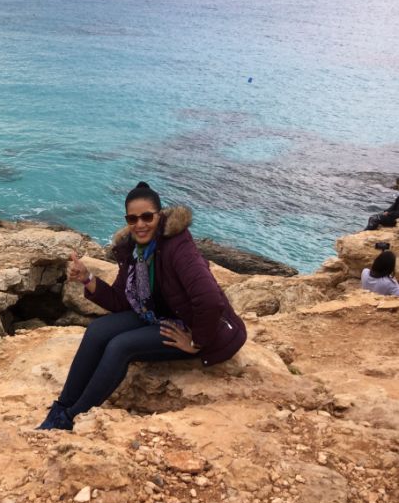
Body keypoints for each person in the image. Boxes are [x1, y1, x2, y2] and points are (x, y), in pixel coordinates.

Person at [37, 182, 247, 431]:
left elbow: (210, 300)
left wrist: (196, 342)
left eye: (147, 217)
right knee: (97, 331)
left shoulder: (178, 247)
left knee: (120, 346)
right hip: (159, 315)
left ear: (160, 215)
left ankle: (70, 417)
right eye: (132, 218)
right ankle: (62, 406)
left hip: (200, 330)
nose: (140, 224)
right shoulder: (135, 250)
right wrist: (86, 278)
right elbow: (121, 301)